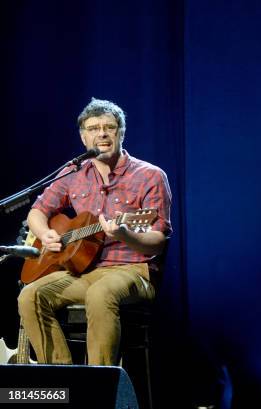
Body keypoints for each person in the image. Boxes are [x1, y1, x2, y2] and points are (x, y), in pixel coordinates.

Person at [18, 98, 172, 365]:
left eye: (109, 127)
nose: (101, 133)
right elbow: (37, 211)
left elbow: (157, 241)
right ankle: (64, 382)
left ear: (121, 133)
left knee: (100, 294)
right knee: (30, 295)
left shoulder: (150, 176)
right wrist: (45, 234)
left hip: (133, 271)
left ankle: (98, 387)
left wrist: (125, 234)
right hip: (83, 271)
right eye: (93, 128)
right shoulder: (72, 173)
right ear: (83, 137)